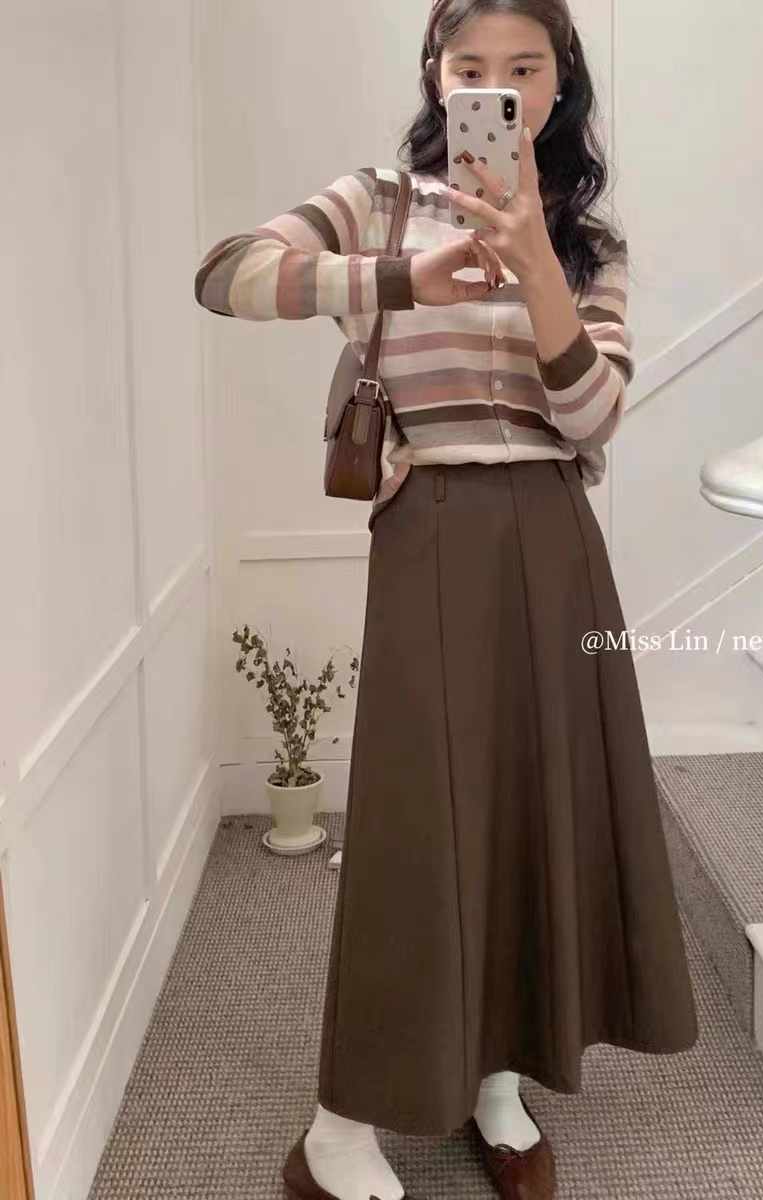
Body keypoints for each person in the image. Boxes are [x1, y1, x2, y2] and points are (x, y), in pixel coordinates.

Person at [194, 2, 699, 1197]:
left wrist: (537, 268)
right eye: (470, 65)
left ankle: (495, 1079)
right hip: (431, 528)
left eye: (522, 67)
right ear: (436, 75)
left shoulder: (585, 243)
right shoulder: (376, 200)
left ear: (558, 84)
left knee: (533, 804)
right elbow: (224, 274)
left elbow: (592, 417)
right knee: (418, 825)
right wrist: (401, 277)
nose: (495, 87)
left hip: (555, 535)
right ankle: (338, 1130)